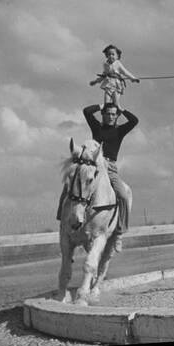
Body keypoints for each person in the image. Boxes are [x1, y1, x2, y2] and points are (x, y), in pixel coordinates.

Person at [57, 102, 138, 253]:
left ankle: (119, 232)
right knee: (69, 187)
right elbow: (87, 111)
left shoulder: (120, 130)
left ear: (116, 116)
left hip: (110, 168)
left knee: (123, 196)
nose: (111, 116)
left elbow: (134, 121)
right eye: (108, 113)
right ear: (103, 115)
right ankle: (63, 220)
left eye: (114, 114)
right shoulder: (97, 127)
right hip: (92, 165)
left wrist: (121, 109)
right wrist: (102, 105)